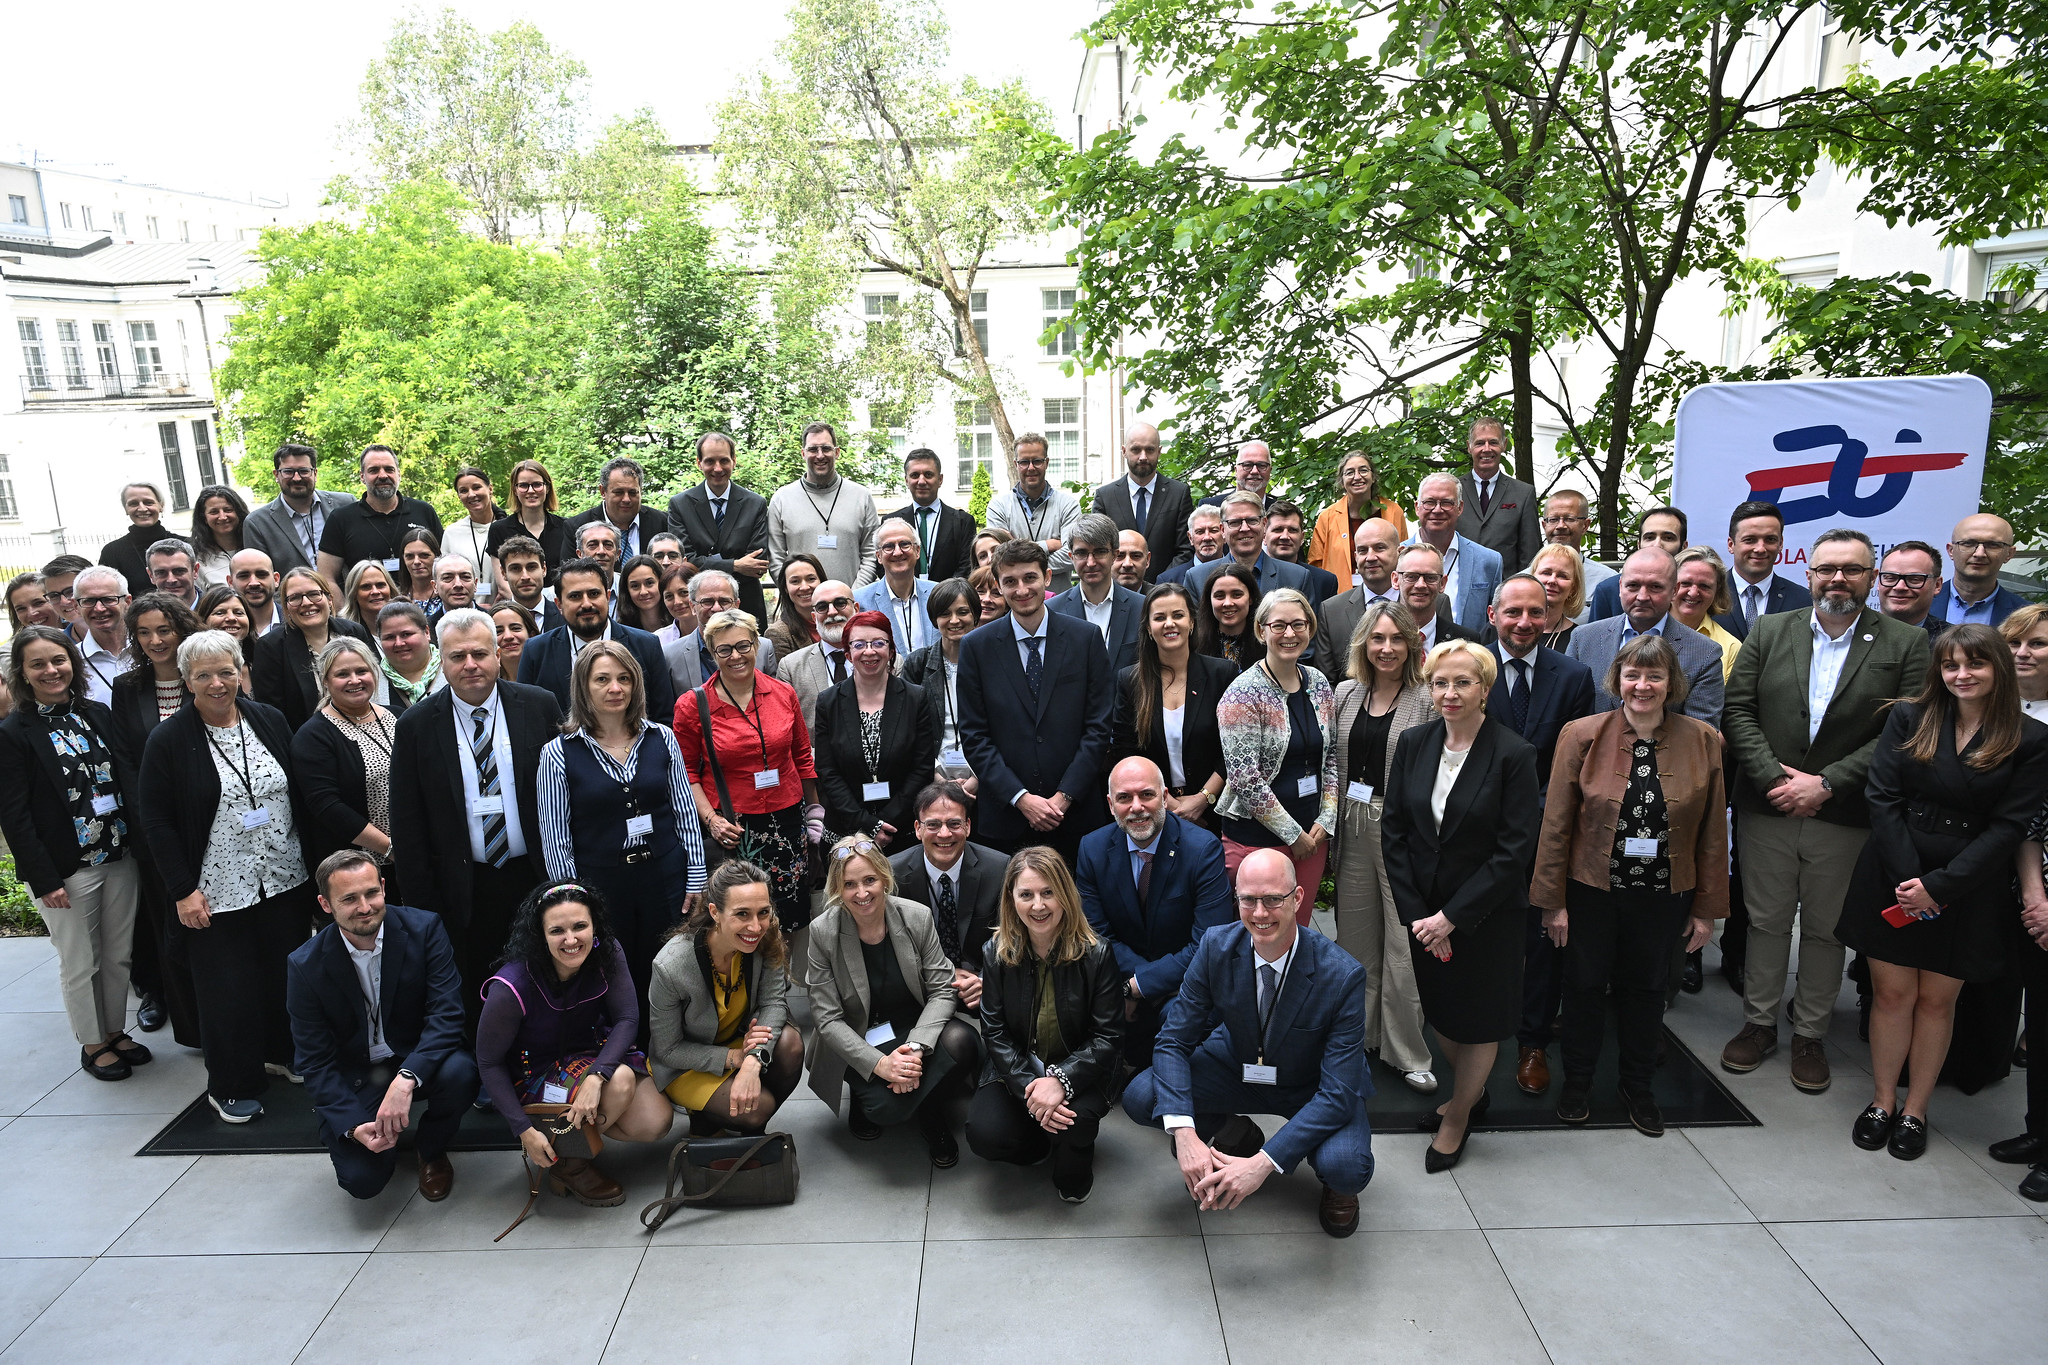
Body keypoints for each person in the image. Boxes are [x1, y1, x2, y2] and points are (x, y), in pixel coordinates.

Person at [1720, 529, 1932, 1094]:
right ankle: (1759, 1023)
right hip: (1768, 805)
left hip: (1844, 813)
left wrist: (1828, 784)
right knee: (1765, 921)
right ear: (1809, 574)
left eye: (1852, 569)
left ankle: (1810, 1034)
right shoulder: (1770, 630)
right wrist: (1773, 777)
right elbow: (1738, 710)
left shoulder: (1907, 643)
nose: (1839, 579)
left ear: (1871, 577)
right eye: (1827, 569)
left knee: (1823, 928)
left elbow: (1905, 729)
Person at [1835, 625, 2048, 1158]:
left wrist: (1939, 887)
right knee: (1891, 996)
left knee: (1936, 1001)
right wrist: (1912, 882)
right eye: (1951, 665)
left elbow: (2010, 826)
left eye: (1975, 664)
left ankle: (1916, 1110)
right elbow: (1882, 796)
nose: (1962, 675)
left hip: (1968, 882)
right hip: (1895, 871)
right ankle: (1883, 1100)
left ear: (1998, 668)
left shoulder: (2030, 738)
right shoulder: (1910, 716)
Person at [1531, 634, 1727, 1134]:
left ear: (1671, 683)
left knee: (1646, 992)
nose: (1643, 685)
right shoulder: (1581, 735)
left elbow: (1712, 833)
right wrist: (1552, 902)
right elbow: (1555, 825)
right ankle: (1577, 1084)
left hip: (1664, 896)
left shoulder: (1703, 740)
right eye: (1633, 675)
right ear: (1616, 679)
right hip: (1590, 891)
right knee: (1583, 988)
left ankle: (1638, 1088)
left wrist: (1705, 910)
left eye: (1654, 676)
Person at [1122, 846, 1374, 1237]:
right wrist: (1185, 1134)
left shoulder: (1342, 975)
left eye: (1273, 899)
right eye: (1248, 900)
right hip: (1237, 1065)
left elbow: (1338, 1094)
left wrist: (1263, 1164)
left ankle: (1337, 1187)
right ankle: (1234, 1133)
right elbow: (1172, 1041)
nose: (1259, 913)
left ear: (1298, 898)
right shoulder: (1215, 946)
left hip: (1314, 1085)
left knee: (1347, 1166)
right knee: (1142, 1095)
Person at [139, 630, 312, 1123]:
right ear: (186, 680)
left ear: (241, 672)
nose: (217, 683)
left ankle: (281, 1053)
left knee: (282, 975)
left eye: (226, 671)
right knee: (226, 991)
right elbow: (156, 822)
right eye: (204, 675)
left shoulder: (268, 719)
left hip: (282, 877)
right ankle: (231, 1082)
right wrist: (182, 890)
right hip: (215, 890)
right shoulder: (169, 739)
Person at [1382, 639, 1542, 1171]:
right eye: (1439, 683)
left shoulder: (1514, 753)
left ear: (1486, 689)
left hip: (1485, 918)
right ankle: (1474, 1091)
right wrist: (1418, 915)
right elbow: (1395, 831)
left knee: (1478, 1022)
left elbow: (1514, 850)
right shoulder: (1414, 742)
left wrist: (1452, 918)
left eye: (1462, 682)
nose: (1449, 693)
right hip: (1424, 915)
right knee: (1443, 1016)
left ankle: (1458, 1116)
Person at [389, 609, 565, 1031]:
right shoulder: (415, 725)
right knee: (477, 991)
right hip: (463, 886)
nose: (470, 665)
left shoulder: (539, 705)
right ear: (441, 659)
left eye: (480, 654)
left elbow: (566, 793)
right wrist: (422, 905)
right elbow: (407, 823)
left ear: (498, 654)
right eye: (457, 656)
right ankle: (485, 1060)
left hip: (534, 874)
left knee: (546, 977)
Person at [537, 638, 708, 1037]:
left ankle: (674, 1049)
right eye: (602, 679)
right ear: (583, 686)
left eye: (624, 678)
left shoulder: (661, 737)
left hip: (664, 877)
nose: (615, 688)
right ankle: (627, 1051)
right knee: (615, 973)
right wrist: (572, 899)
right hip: (601, 885)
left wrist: (696, 875)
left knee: (670, 966)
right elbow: (556, 836)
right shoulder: (558, 753)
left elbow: (684, 812)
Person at [287, 850, 479, 1201]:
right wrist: (352, 1126)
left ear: (384, 887)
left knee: (461, 1072)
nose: (365, 907)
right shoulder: (305, 965)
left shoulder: (425, 929)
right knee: (363, 1182)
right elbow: (314, 1061)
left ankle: (431, 1149)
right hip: (358, 1075)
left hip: (414, 1056)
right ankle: (374, 1135)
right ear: (325, 904)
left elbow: (447, 1015)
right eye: (349, 899)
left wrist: (406, 1079)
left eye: (371, 893)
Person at [0, 626, 147, 1082]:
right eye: (38, 664)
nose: (51, 670)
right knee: (81, 960)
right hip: (67, 868)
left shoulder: (97, 713)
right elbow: (14, 816)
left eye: (58, 660)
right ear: (22, 673)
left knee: (118, 954)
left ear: (72, 663)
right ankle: (92, 1042)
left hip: (118, 854)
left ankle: (114, 1031)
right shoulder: (13, 732)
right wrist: (44, 879)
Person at [478, 881, 673, 1208]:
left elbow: (627, 1018)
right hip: (534, 1075)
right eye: (557, 931)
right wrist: (523, 1130)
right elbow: (488, 1063)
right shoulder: (511, 985)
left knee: (655, 1120)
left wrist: (596, 1076)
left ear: (594, 926)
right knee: (621, 1080)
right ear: (540, 935)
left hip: (590, 1055)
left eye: (580, 926)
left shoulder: (607, 952)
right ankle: (569, 1163)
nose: (571, 940)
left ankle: (571, 1140)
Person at [1484, 574, 1597, 1094]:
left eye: (1536, 612)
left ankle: (1533, 1042)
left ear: (1549, 616)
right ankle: (1475, 1037)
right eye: (1513, 612)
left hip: (1547, 832)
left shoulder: (1573, 676)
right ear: (1493, 615)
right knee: (1482, 936)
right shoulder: (1468, 670)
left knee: (1544, 939)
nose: (1525, 622)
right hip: (1479, 834)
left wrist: (1539, 819)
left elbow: (1575, 763)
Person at [805, 835, 979, 1163]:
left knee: (965, 1042)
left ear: (884, 878)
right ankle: (867, 1090)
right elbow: (827, 1019)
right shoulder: (823, 932)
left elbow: (943, 989)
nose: (862, 893)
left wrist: (915, 1049)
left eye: (869, 880)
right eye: (849, 884)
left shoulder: (916, 917)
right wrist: (881, 1064)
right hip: (859, 1034)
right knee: (885, 1110)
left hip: (912, 1027)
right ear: (837, 889)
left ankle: (930, 1112)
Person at [968, 847, 1125, 1201]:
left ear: (1065, 895)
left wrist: (1061, 1080)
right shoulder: (995, 951)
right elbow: (994, 1030)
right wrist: (1031, 1088)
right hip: (1019, 1066)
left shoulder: (1097, 953)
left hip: (1081, 1068)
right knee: (985, 1135)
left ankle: (1075, 1151)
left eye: (1048, 892)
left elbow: (1108, 1036)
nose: (1038, 905)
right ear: (1011, 899)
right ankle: (1038, 1143)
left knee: (1075, 1131)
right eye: (1026, 894)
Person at [1329, 600, 1439, 1093]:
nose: (1387, 648)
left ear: (1413, 645)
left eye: (1397, 639)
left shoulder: (1426, 698)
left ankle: (1406, 1051)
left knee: (1402, 942)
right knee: (1354, 939)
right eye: (1378, 638)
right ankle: (1357, 1038)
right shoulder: (1345, 692)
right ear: (1364, 644)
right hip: (1351, 824)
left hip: (1402, 832)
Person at [956, 540, 1116, 861]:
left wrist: (1064, 796)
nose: (1021, 589)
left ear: (1047, 577)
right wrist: (1021, 798)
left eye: (1030, 578)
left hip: (1076, 814)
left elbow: (1099, 727)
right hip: (1007, 817)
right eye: (1010, 581)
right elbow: (974, 735)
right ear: (999, 585)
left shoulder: (1085, 638)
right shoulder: (976, 647)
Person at [1076, 756, 1234, 1070]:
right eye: (1124, 798)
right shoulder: (1092, 849)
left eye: (1146, 795)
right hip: (1120, 977)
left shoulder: (1202, 850)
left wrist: (1139, 986)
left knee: (1181, 1020)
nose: (1136, 807)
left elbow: (1208, 945)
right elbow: (1095, 935)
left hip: (1185, 984)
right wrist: (1137, 983)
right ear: (1110, 804)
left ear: (1164, 797)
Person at [674, 608, 821, 934]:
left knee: (789, 917)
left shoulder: (783, 693)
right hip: (734, 828)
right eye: (724, 649)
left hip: (788, 824)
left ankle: (783, 970)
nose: (736, 656)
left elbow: (801, 756)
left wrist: (814, 812)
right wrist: (711, 821)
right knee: (742, 920)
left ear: (756, 644)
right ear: (712, 652)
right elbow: (686, 773)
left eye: (743, 646)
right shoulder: (693, 705)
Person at [648, 859, 807, 1133]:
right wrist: (736, 1058)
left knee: (791, 1045)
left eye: (763, 912)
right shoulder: (670, 966)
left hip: (741, 1040)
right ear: (715, 912)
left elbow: (773, 1003)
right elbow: (669, 1050)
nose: (755, 927)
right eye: (742, 914)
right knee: (758, 1110)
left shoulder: (766, 934)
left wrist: (754, 1059)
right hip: (688, 1063)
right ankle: (711, 1118)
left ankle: (731, 1119)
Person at [107, 593, 201, 1038]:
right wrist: (150, 820)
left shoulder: (202, 675)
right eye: (144, 632)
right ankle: (179, 1012)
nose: (156, 640)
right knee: (167, 923)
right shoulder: (127, 688)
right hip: (154, 826)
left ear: (182, 630)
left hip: (208, 820)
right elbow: (125, 760)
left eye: (164, 630)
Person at [1216, 588, 1337, 901]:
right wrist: (1293, 834)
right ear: (1261, 631)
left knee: (1300, 924)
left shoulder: (1319, 683)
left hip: (1312, 838)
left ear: (1310, 628)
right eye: (1279, 625)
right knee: (1257, 926)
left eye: (1298, 624)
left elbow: (1331, 757)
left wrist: (1326, 819)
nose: (1290, 634)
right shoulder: (1242, 693)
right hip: (1256, 841)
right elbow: (1244, 778)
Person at [813, 610, 941, 851]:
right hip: (845, 831)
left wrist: (885, 823)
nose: (869, 651)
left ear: (891, 650)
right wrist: (867, 824)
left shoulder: (915, 698)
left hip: (900, 831)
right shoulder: (828, 702)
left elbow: (922, 768)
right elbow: (827, 771)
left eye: (878, 643)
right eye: (859, 644)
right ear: (848, 654)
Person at [1114, 582, 1237, 825]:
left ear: (1191, 622)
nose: (1169, 623)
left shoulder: (1222, 674)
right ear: (1149, 628)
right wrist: (1169, 804)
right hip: (1153, 812)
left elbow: (1234, 748)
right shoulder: (1130, 680)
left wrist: (1203, 799)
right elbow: (1125, 752)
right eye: (1160, 617)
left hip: (1217, 812)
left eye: (1178, 615)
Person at [1565, 548, 1726, 727]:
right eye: (1633, 586)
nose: (1642, 597)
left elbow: (1701, 732)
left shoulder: (1704, 653)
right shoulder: (1583, 640)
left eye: (1655, 587)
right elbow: (1569, 718)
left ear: (1674, 590)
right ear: (1620, 587)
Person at [292, 637, 402, 890]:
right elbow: (328, 806)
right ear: (325, 680)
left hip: (417, 853)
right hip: (357, 869)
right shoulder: (313, 737)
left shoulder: (399, 717)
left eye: (362, 671)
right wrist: (391, 849)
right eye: (343, 674)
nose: (355, 680)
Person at [516, 557, 677, 729]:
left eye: (594, 594)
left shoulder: (646, 646)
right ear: (559, 604)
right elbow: (526, 722)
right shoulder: (535, 651)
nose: (586, 604)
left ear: (607, 596)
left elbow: (664, 719)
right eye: (575, 596)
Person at [889, 781, 1009, 1009]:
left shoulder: (999, 869)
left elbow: (1010, 937)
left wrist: (985, 980)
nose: (944, 834)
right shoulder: (893, 874)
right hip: (920, 989)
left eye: (954, 823)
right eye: (933, 824)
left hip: (982, 988)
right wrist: (945, 972)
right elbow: (892, 947)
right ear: (918, 829)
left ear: (968, 826)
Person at [666, 432, 773, 627]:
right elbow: (685, 562)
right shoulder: (680, 505)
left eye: (724, 460)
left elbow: (758, 564)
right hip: (700, 607)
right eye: (710, 461)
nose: (717, 468)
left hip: (746, 604)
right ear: (699, 463)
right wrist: (735, 565)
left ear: (734, 461)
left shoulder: (755, 503)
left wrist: (706, 562)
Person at [768, 422, 881, 589]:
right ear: (803, 453)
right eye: (813, 449)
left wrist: (852, 596)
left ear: (837, 452)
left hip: (852, 601)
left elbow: (871, 554)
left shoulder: (862, 497)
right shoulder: (781, 499)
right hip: (800, 601)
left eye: (826, 448)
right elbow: (775, 558)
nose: (820, 455)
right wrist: (796, 594)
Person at [315, 444, 444, 587]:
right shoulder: (341, 519)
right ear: (362, 476)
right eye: (374, 470)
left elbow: (444, 563)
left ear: (398, 474)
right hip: (367, 601)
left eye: (389, 469)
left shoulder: (423, 511)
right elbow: (326, 578)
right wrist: (344, 603)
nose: (383, 475)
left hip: (422, 601)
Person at [2005, 808, 2048, 1201]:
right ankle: (2040, 1133)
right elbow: (2033, 824)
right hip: (2040, 910)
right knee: (2040, 1023)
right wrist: (2036, 899)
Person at [901, 577, 980, 788]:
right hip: (930, 779)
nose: (954, 620)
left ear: (975, 615)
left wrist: (977, 779)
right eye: (945, 613)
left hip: (984, 776)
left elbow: (1003, 728)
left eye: (962, 612)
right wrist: (937, 779)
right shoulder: (917, 663)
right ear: (934, 618)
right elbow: (907, 727)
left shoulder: (992, 662)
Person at [1309, 518, 1407, 682]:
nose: (1370, 557)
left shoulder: (1426, 604)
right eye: (1362, 550)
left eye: (1379, 548)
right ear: (1355, 557)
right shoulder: (1332, 611)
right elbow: (1326, 682)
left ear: (1400, 552)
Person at [1093, 422, 1195, 575]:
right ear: (1124, 451)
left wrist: (1162, 583)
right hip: (1119, 585)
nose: (1143, 457)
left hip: (1166, 586)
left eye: (1149, 450)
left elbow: (1185, 549)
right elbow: (1099, 549)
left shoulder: (1178, 494)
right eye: (1136, 450)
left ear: (1159, 452)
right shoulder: (1105, 497)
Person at [1408, 473, 1503, 633]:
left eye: (1446, 503)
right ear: (1417, 507)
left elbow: (1494, 625)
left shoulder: (1489, 561)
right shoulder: (1395, 558)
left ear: (1460, 508)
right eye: (1429, 502)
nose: (1437, 510)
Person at [1050, 512, 1146, 671]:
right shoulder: (1052, 611)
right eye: (1081, 553)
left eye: (1100, 552)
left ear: (1114, 555)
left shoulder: (1142, 608)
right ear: (1071, 557)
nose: (1091, 562)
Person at [987, 433, 1083, 591]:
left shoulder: (1068, 505)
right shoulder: (998, 507)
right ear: (1016, 464)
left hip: (1058, 599)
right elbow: (998, 558)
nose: (1031, 468)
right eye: (1024, 462)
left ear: (1047, 462)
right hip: (1015, 598)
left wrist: (1017, 562)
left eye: (1037, 461)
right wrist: (1047, 545)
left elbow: (1072, 556)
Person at [664, 570, 782, 693]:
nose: (716, 608)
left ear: (736, 605)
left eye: (724, 601)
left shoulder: (764, 649)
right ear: (692, 606)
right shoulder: (671, 656)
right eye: (707, 602)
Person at [246, 443, 356, 575]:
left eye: (304, 471)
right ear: (276, 475)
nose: (297, 478)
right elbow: (259, 576)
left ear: (315, 473)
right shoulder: (258, 523)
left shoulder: (345, 504)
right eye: (288, 472)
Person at [1186, 490, 1314, 604]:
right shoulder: (1198, 578)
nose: (1244, 528)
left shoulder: (1297, 577)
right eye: (1235, 522)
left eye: (1252, 521)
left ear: (1264, 524)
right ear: (1222, 530)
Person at [775, 577, 866, 733]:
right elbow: (787, 730)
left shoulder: (886, 660)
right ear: (814, 617)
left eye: (840, 603)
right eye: (822, 607)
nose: (832, 612)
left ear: (856, 609)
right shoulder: (791, 668)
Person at [1455, 417, 1541, 574]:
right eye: (1480, 443)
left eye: (1493, 442)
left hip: (1506, 585)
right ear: (1469, 447)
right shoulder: (1453, 490)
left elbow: (1530, 555)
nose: (1486, 449)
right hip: (1459, 583)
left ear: (1504, 445)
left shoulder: (1523, 493)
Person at [1717, 501, 1811, 640]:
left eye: (1770, 539)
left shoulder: (1803, 601)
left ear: (1780, 544)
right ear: (1731, 545)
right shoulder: (1709, 595)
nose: (1760, 549)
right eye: (1750, 540)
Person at [889, 446, 976, 582]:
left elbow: (966, 566)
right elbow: (884, 564)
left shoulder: (963, 522)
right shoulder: (891, 523)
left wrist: (945, 592)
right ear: (906, 480)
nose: (921, 481)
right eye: (915, 475)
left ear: (940, 479)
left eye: (928, 475)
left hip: (949, 594)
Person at [1586, 506, 1689, 620]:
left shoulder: (1695, 591)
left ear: (1684, 546)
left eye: (1668, 538)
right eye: (1649, 537)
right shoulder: (1609, 591)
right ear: (1639, 544)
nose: (1657, 544)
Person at [855, 518, 938, 653]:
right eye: (889, 546)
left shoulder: (937, 593)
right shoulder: (860, 601)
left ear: (917, 551)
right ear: (879, 556)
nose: (898, 552)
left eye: (904, 544)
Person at [99, 482, 189, 603]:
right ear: (126, 509)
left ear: (161, 505)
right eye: (133, 503)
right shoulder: (112, 552)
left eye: (148, 502)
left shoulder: (186, 544)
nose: (142, 508)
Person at [568, 455, 666, 561]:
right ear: (603, 491)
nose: (626, 499)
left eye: (632, 492)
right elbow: (569, 570)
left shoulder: (662, 522)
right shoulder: (576, 526)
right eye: (619, 492)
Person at [1934, 513, 2024, 625]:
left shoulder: (2027, 617)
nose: (1979, 554)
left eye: (1992, 545)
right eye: (1968, 543)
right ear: (1951, 551)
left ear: (2009, 554)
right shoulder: (1918, 602)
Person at [487, 459, 573, 574]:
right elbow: (502, 579)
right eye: (523, 485)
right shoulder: (499, 530)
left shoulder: (567, 527)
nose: (531, 491)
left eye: (537, 484)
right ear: (515, 490)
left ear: (547, 488)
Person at [1673, 546, 1743, 679]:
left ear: (1717, 590)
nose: (1693, 593)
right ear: (1669, 583)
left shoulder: (1731, 647)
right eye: (1685, 583)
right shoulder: (1644, 630)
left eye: (1704, 586)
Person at [1394, 544, 1480, 651]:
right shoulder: (1377, 636)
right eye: (1411, 576)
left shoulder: (1467, 643)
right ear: (1395, 580)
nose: (1420, 585)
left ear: (1442, 583)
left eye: (1430, 578)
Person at [73, 566, 136, 708]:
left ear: (127, 602)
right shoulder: (73, 662)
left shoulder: (151, 650)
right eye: (89, 601)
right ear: (76, 606)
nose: (99, 608)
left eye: (108, 599)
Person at [1539, 490, 1616, 600]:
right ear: (1544, 525)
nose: (1560, 526)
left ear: (1585, 525)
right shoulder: (1523, 581)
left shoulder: (1607, 580)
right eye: (1553, 519)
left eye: (1569, 519)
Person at [1263, 500, 1340, 608]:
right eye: (1278, 530)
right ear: (1264, 536)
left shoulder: (1324, 581)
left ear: (1302, 537)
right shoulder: (1251, 575)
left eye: (1292, 530)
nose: (1285, 536)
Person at [373, 602, 441, 711]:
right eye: (390, 637)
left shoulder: (452, 669)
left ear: (427, 632)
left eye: (406, 634)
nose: (399, 643)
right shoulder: (371, 682)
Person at [1199, 562, 1265, 672]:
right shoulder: (1195, 646)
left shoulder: (1267, 643)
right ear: (1209, 600)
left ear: (1251, 598)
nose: (1228, 603)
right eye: (1219, 596)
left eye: (1237, 595)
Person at [1879, 541, 1948, 640]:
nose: (1899, 587)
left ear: (1937, 585)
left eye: (1914, 579)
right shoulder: (1855, 631)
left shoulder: (1954, 641)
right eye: (1890, 578)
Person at [494, 535, 562, 633]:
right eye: (515, 569)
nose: (525, 577)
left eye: (531, 567)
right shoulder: (492, 623)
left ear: (544, 569)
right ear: (503, 573)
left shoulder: (565, 616)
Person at [194, 585, 255, 693]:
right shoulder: (191, 666)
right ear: (203, 620)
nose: (231, 618)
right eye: (220, 613)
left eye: (239, 613)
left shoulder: (262, 661)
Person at [1526, 543, 1590, 648]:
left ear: (1573, 588)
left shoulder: (1581, 641)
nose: (1552, 580)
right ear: (1532, 578)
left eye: (1562, 576)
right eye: (1546, 573)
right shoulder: (1506, 629)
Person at [764, 553, 825, 659]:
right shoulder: (778, 633)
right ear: (785, 588)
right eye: (795, 581)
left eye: (811, 579)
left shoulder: (841, 620)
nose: (804, 587)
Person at [188, 485, 250, 587]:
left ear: (238, 512)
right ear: (204, 518)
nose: (222, 517)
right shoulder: (197, 559)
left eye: (228, 510)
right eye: (214, 512)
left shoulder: (257, 545)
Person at [1156, 504, 1229, 588]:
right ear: (1190, 538)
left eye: (1213, 530)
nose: (1207, 537)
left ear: (1224, 534)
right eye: (1200, 532)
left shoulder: (1239, 571)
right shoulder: (1168, 580)